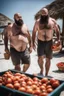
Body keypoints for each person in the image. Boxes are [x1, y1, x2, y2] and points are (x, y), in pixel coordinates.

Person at [32, 8, 61, 76]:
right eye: (43, 14)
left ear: (48, 13)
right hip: (40, 41)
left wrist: (58, 39)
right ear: (41, 14)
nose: (44, 15)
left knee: (48, 59)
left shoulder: (52, 21)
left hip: (49, 42)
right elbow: (33, 32)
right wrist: (32, 43)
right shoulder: (37, 22)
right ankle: (41, 70)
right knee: (40, 58)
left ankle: (46, 74)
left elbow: (57, 30)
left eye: (45, 14)